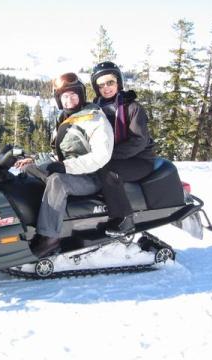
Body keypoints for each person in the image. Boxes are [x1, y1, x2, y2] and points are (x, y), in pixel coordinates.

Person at [16, 72, 114, 258]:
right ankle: (29, 221)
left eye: (74, 95)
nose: (69, 99)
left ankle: (49, 238)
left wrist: (65, 167)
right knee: (30, 170)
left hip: (92, 177)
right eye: (65, 96)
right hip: (72, 171)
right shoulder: (65, 119)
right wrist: (35, 160)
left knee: (57, 182)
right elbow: (60, 153)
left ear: (81, 96)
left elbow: (101, 156)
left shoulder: (95, 119)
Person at [90, 61, 155, 236]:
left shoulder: (132, 107)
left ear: (118, 82)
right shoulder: (95, 109)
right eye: (101, 85)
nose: (106, 88)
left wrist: (108, 155)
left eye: (110, 82)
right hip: (112, 156)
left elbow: (139, 141)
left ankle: (125, 218)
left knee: (108, 171)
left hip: (139, 159)